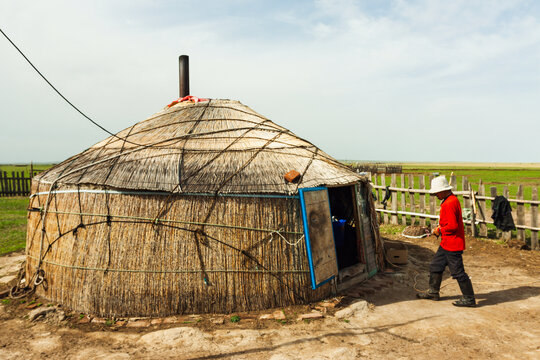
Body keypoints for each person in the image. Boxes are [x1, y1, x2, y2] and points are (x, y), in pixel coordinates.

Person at [417, 175, 476, 307]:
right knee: (435, 265)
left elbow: (453, 226)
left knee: (457, 272)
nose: (436, 194)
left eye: (437, 192)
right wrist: (440, 228)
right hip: (447, 243)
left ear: (443, 190)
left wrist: (440, 230)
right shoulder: (451, 200)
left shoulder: (449, 203)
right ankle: (433, 292)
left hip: (452, 244)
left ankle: (469, 299)